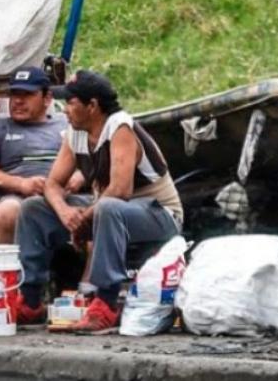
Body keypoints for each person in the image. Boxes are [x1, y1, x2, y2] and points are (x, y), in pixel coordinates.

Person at [15, 69, 183, 332]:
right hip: (108, 212)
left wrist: (84, 217)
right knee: (33, 208)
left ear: (92, 106)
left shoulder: (120, 127)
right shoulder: (75, 133)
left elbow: (120, 190)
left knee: (108, 206)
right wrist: (65, 212)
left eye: (71, 103)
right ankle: (30, 298)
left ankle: (106, 303)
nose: (65, 110)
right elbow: (53, 184)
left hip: (159, 215)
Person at [0, 66, 82, 243]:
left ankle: (94, 270)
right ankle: (12, 270)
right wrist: (22, 184)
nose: (18, 101)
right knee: (7, 212)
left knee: (102, 210)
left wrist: (80, 176)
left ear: (47, 98)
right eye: (14, 94)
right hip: (18, 198)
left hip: (67, 196)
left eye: (27, 95)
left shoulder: (67, 126)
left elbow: (96, 162)